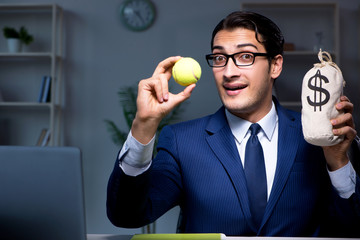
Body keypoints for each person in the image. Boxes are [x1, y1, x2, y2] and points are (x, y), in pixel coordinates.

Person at [107, 11, 360, 237]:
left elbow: (351, 227)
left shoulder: (315, 135)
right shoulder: (182, 141)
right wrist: (143, 126)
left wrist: (337, 162)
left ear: (275, 65)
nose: (228, 72)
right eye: (219, 58)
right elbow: (127, 216)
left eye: (245, 56)